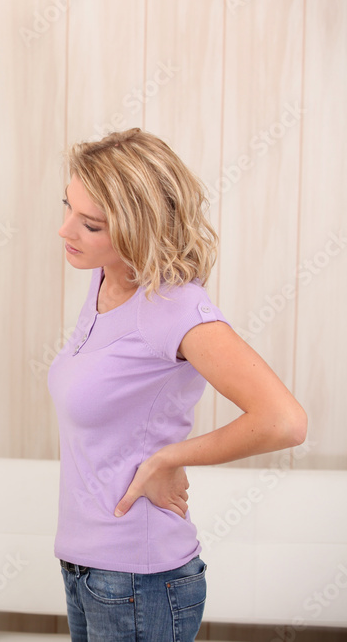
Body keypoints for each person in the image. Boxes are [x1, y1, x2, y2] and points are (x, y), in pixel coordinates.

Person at [48, 128, 306, 641]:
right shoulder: (104, 280)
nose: (65, 230)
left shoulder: (175, 307)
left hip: (138, 580)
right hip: (86, 568)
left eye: (90, 224)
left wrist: (170, 458)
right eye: (68, 208)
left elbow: (283, 421)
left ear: (137, 227)